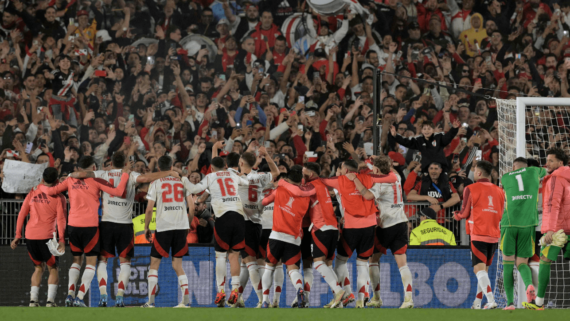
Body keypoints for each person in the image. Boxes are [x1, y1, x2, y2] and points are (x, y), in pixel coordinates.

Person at [70, 151, 181, 307]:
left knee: (102, 261)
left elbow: (81, 173)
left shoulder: (102, 173)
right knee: (125, 263)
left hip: (106, 224)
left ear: (112, 162)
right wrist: (169, 172)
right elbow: (147, 178)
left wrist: (69, 176)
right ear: (126, 163)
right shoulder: (131, 174)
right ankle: (120, 297)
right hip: (125, 225)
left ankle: (103, 296)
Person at [46, 156, 130, 307]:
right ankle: (79, 297)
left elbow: (51, 191)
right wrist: (125, 174)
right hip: (90, 227)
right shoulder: (96, 180)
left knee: (76, 261)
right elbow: (118, 191)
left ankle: (70, 295)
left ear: (78, 168)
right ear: (93, 168)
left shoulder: (70, 180)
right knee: (91, 263)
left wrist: (41, 187)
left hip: (73, 226)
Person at [321, 160, 398, 308]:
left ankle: (347, 292)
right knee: (362, 264)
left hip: (351, 228)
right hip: (369, 227)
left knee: (340, 262)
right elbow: (393, 178)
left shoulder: (340, 180)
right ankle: (360, 300)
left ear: (344, 169)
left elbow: (320, 181)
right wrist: (367, 168)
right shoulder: (368, 177)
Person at [184, 156, 249, 307]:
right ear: (226, 165)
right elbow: (246, 183)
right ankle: (235, 290)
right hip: (239, 217)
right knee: (234, 256)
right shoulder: (232, 174)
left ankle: (221, 291)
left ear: (212, 168)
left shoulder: (211, 176)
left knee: (220, 256)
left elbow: (194, 189)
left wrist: (184, 179)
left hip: (223, 217)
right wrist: (241, 176)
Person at [350, 156, 413, 309]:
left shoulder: (379, 184)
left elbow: (367, 195)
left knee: (373, 260)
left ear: (377, 170)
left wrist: (354, 180)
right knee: (402, 264)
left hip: (386, 226)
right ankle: (409, 300)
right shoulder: (396, 177)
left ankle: (377, 297)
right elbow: (386, 168)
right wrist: (377, 161)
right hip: (401, 223)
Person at [259, 165, 316, 308]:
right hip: (294, 238)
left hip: (277, 235)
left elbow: (264, 202)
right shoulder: (306, 195)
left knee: (269, 268)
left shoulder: (280, 189)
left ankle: (265, 300)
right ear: (301, 180)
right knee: (293, 270)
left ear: (288, 178)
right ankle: (299, 289)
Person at [142, 156, 195, 308]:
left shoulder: (156, 182)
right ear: (172, 166)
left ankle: (151, 302)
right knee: (178, 265)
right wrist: (188, 224)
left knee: (154, 264)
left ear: (158, 168)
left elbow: (149, 208)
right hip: (180, 227)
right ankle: (185, 302)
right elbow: (191, 207)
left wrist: (146, 227)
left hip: (164, 227)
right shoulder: (183, 182)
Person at [11, 167, 66, 307]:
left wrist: (18, 234)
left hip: (30, 236)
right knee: (53, 268)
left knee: (38, 268)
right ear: (57, 181)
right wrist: (61, 240)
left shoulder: (33, 192)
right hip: (47, 237)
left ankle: (33, 301)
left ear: (42, 179)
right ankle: (50, 302)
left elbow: (22, 214)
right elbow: (61, 220)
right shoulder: (60, 197)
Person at [453, 160, 505, 310]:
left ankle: (491, 300)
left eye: (474, 170)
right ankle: (477, 303)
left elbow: (464, 213)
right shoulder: (499, 190)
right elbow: (501, 214)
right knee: (484, 272)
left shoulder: (470, 188)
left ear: (479, 173)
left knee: (479, 270)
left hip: (478, 233)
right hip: (494, 234)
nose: (474, 173)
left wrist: (456, 216)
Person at [524, 148, 570, 311]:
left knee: (544, 261)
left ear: (560, 163)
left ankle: (538, 303)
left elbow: (553, 205)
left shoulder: (555, 178)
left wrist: (550, 229)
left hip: (558, 230)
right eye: (547, 160)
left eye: (551, 160)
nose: (547, 163)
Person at [233, 146, 279, 307]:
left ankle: (261, 300)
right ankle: (238, 298)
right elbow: (276, 173)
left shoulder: (237, 178)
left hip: (243, 223)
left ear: (241, 162)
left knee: (250, 261)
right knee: (246, 262)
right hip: (257, 224)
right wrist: (267, 155)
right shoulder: (260, 177)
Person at [500, 157, 546, 310]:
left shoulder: (506, 177)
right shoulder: (534, 171)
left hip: (509, 223)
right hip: (528, 225)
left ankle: (510, 303)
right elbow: (546, 171)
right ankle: (529, 285)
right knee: (522, 263)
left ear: (514, 167)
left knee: (507, 263)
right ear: (527, 166)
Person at [303, 162, 344, 308]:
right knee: (328, 264)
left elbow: (298, 192)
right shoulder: (321, 184)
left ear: (311, 174)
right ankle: (338, 300)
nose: (303, 176)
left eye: (304, 173)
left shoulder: (312, 186)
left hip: (322, 227)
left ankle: (339, 291)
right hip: (333, 227)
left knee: (319, 263)